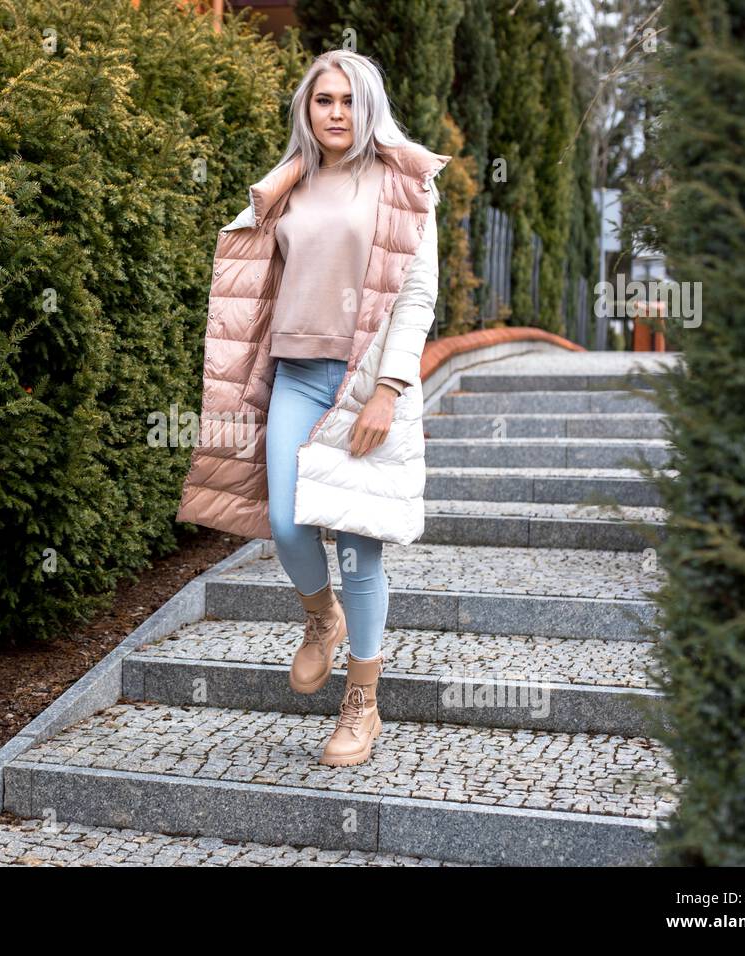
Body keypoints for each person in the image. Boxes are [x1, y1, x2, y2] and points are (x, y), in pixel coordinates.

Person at [262, 51, 443, 766]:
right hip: (296, 375)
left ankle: (361, 705)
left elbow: (418, 294)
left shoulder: (403, 185)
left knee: (361, 543)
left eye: (347, 100)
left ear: (367, 107)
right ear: (306, 110)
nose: (334, 112)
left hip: (363, 383)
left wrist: (389, 391)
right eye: (321, 100)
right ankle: (320, 618)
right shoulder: (289, 184)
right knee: (284, 521)